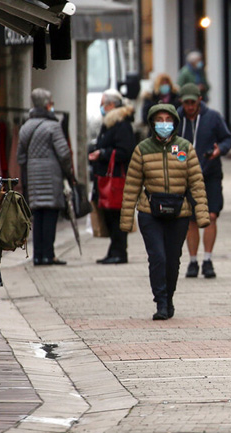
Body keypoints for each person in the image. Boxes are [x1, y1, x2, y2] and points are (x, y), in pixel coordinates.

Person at [120, 103, 210, 320]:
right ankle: (160, 301)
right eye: (159, 120)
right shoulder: (142, 149)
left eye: (168, 120)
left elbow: (196, 182)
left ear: (175, 123)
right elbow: (132, 185)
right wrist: (125, 220)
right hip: (149, 212)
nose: (163, 124)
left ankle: (169, 298)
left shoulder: (185, 148)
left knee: (173, 259)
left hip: (179, 212)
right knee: (157, 257)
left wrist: (202, 214)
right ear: (152, 123)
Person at [176, 83, 231, 278]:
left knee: (211, 216)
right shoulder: (176, 118)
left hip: (210, 173)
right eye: (186, 103)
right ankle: (192, 261)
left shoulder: (213, 117)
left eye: (193, 102)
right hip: (185, 177)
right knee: (190, 219)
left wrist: (219, 150)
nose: (189, 106)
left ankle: (207, 259)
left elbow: (227, 139)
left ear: (200, 100)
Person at [17, 88, 73, 266]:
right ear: (47, 105)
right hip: (51, 176)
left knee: (38, 216)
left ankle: (38, 255)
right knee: (50, 215)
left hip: (33, 177)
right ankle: (49, 254)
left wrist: (29, 171)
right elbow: (64, 153)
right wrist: (69, 172)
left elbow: (20, 156)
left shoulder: (26, 127)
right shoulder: (53, 126)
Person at [89, 89, 135, 264]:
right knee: (109, 215)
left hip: (116, 179)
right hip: (105, 177)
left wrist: (103, 153)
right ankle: (114, 250)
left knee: (116, 216)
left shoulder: (121, 124)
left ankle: (119, 252)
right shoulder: (109, 123)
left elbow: (125, 151)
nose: (101, 107)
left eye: (103, 103)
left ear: (111, 105)